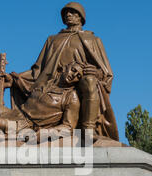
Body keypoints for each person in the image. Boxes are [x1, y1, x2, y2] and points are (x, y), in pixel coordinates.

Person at [7, 2, 119, 141]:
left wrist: (96, 73)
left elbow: (106, 72)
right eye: (66, 13)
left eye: (72, 12)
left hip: (79, 79)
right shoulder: (52, 40)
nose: (68, 15)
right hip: (54, 82)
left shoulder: (92, 40)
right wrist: (14, 79)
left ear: (81, 17)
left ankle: (88, 130)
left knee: (90, 81)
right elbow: (38, 70)